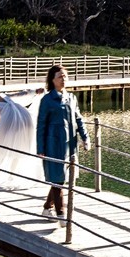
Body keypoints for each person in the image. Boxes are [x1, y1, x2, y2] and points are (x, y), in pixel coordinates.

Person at [36, 65, 89, 225]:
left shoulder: (71, 97)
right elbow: (41, 124)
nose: (63, 79)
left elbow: (78, 118)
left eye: (65, 76)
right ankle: (61, 215)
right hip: (53, 144)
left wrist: (85, 137)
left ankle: (47, 208)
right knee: (57, 180)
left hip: (69, 144)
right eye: (60, 76)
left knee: (61, 179)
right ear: (52, 80)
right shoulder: (47, 100)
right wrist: (41, 148)